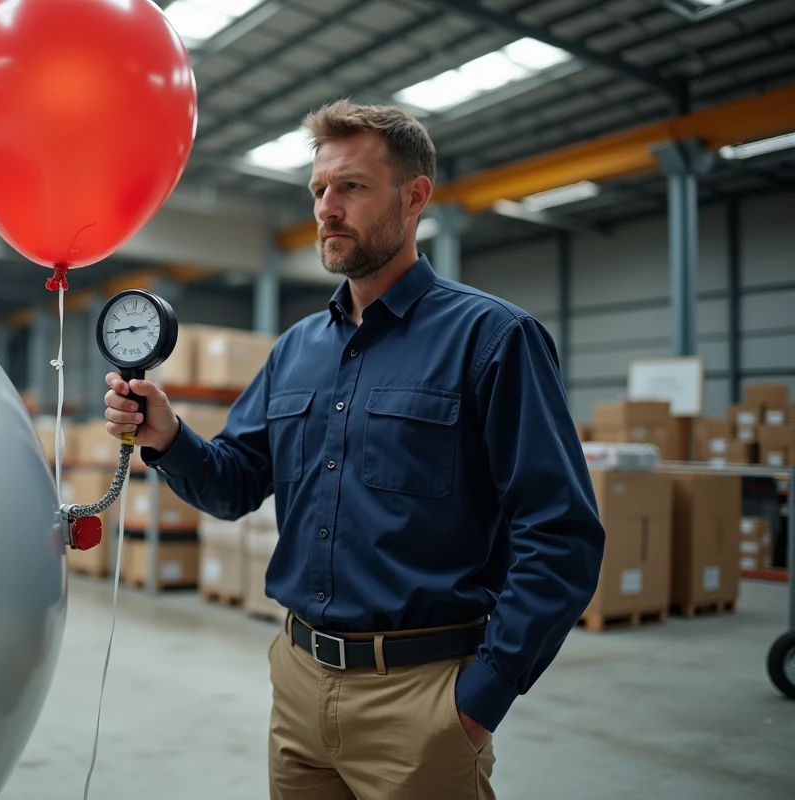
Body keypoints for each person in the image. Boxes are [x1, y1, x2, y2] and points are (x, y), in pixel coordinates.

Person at [103, 98, 605, 800]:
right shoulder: (298, 348)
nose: (327, 208)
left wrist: (477, 702)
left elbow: (562, 534)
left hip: (423, 697)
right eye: (318, 190)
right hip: (298, 684)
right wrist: (169, 438)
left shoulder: (492, 339)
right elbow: (236, 484)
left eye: (352, 187)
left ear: (415, 195)